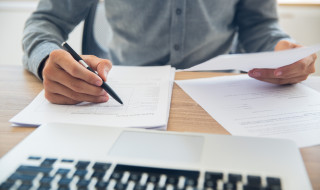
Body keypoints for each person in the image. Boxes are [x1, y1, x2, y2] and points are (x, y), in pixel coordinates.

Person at [22, 0, 317, 105]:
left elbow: (259, 24)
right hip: (121, 94)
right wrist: (48, 57)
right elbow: (46, 21)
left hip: (222, 95)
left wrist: (280, 52)